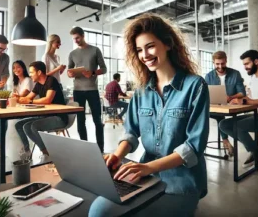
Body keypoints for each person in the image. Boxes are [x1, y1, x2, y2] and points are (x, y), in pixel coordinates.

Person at [89, 14, 209, 217]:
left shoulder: (195, 86)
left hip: (182, 182)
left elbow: (193, 147)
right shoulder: (141, 91)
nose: (144, 55)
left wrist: (146, 167)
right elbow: (131, 132)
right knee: (98, 210)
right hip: (146, 176)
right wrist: (117, 155)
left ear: (168, 44)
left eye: (150, 46)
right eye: (139, 50)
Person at [220, 50, 258, 168]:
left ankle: (255, 151)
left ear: (256, 61)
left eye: (247, 64)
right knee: (223, 124)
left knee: (237, 126)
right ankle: (255, 149)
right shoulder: (253, 78)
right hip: (257, 113)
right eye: (244, 64)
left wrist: (244, 101)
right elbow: (251, 99)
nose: (245, 67)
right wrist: (237, 101)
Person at [15, 61, 67, 161]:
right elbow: (28, 98)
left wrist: (30, 101)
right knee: (20, 125)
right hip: (46, 116)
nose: (30, 75)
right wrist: (18, 98)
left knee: (33, 126)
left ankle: (46, 153)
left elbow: (47, 100)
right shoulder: (38, 84)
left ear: (39, 72)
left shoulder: (51, 80)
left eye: (31, 72)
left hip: (59, 117)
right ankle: (27, 150)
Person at [68, 27, 107, 152]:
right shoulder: (72, 54)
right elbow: (69, 71)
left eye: (78, 38)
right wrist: (70, 74)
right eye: (74, 39)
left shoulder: (95, 50)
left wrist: (93, 72)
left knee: (97, 120)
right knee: (80, 120)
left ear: (83, 36)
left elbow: (104, 69)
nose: (76, 41)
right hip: (77, 90)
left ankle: (100, 149)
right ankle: (84, 148)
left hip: (92, 90)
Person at [205, 51, 246, 156]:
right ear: (213, 63)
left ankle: (225, 141)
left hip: (229, 106)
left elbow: (242, 93)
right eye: (217, 64)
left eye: (222, 63)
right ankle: (221, 141)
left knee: (220, 117)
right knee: (204, 116)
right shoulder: (209, 76)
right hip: (214, 106)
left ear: (226, 61)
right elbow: (206, 93)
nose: (220, 66)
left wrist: (231, 97)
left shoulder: (235, 74)